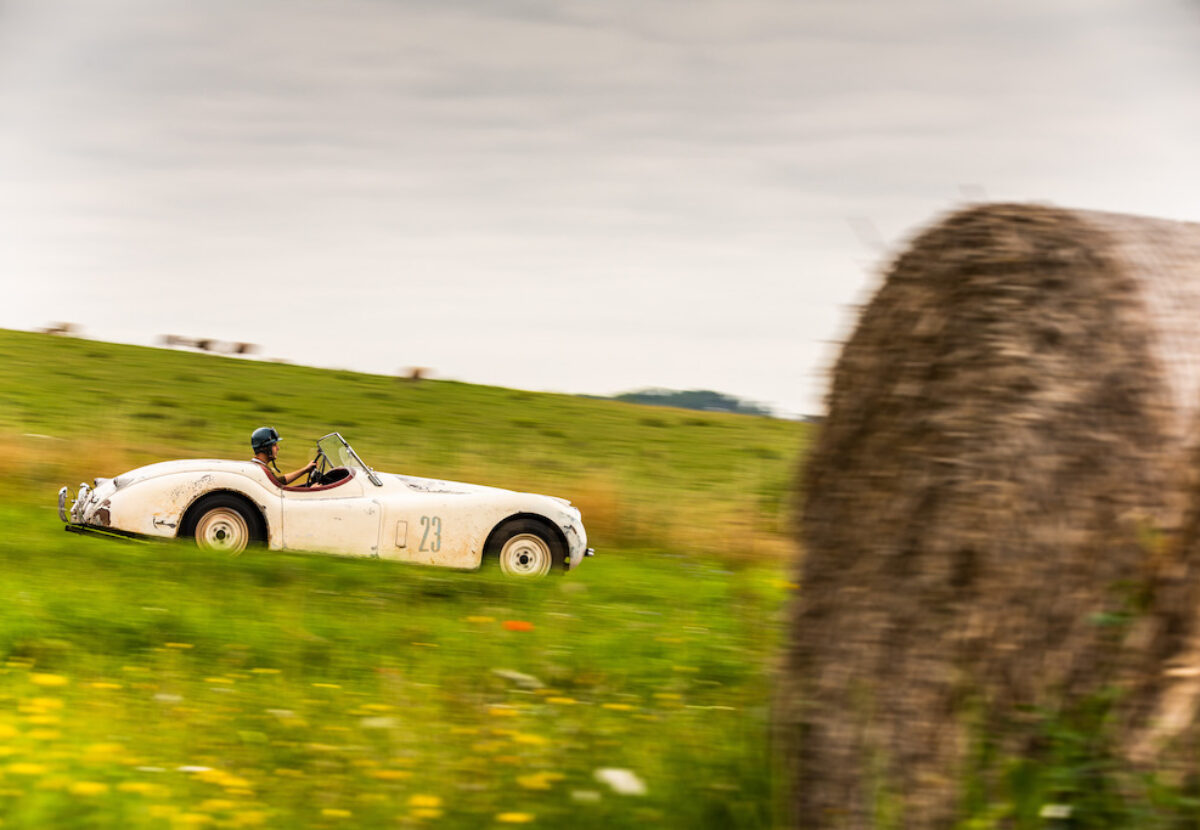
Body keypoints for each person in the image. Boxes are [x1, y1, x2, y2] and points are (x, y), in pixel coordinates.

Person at [250, 427, 316, 486]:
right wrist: (312, 489)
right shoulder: (260, 470)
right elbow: (277, 485)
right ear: (265, 448)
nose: (278, 448)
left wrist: (306, 469)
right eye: (274, 445)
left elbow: (279, 481)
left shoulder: (258, 466)